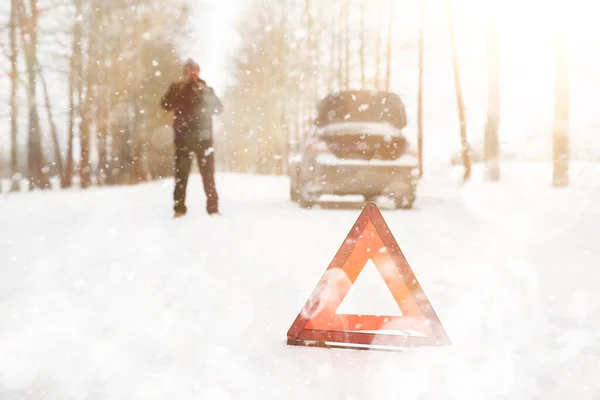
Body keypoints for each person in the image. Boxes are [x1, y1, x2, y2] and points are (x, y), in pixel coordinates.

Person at [161, 59, 223, 218]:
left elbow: (218, 108)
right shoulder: (177, 88)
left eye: (195, 70)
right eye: (189, 71)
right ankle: (179, 209)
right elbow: (165, 104)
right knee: (181, 176)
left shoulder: (206, 89)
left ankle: (213, 209)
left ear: (199, 72)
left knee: (208, 176)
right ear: (185, 72)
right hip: (183, 140)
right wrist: (182, 88)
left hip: (204, 140)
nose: (192, 74)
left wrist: (204, 92)